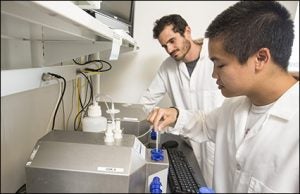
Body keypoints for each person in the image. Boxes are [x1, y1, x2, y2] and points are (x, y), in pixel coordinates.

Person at [147, 1, 299, 193]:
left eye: (220, 65)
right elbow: (204, 123)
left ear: (260, 58)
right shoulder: (234, 107)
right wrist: (175, 114)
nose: (213, 75)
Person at [139, 14, 225, 187]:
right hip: (189, 146)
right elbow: (145, 102)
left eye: (172, 41)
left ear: (187, 31)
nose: (169, 49)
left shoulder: (217, 57)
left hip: (218, 147)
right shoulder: (167, 67)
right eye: (164, 46)